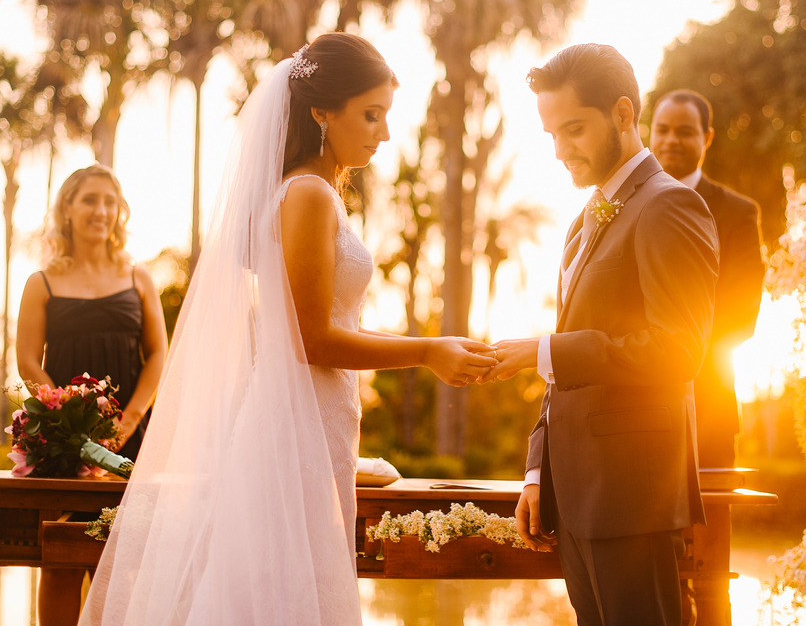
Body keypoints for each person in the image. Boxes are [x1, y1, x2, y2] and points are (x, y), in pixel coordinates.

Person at [79, 33, 495, 626]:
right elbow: (311, 341)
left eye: (385, 116)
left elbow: (320, 324)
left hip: (317, 422)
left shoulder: (312, 194)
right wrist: (428, 351)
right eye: (371, 114)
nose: (383, 132)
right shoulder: (308, 195)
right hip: (297, 425)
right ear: (322, 111)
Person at [482, 44, 718, 626]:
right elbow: (566, 365)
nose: (560, 150)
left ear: (622, 114)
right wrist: (538, 472)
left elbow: (678, 351)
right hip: (575, 498)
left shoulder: (670, 205)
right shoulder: (582, 221)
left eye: (574, 130)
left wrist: (541, 350)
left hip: (632, 497)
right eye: (552, 135)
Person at [14, 164, 169, 625]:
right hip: (63, 445)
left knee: (125, 561)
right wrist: (68, 427)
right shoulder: (41, 282)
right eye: (89, 200)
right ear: (67, 208)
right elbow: (27, 361)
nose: (101, 210)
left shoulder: (138, 277)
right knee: (60, 559)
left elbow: (159, 354)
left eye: (109, 201)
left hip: (130, 443)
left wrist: (126, 424)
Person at [650, 89, 765, 469]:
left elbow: (741, 313)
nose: (671, 140)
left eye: (684, 131)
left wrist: (660, 354)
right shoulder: (620, 207)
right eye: (662, 129)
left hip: (707, 409)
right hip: (625, 414)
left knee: (711, 510)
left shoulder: (737, 213)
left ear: (707, 137)